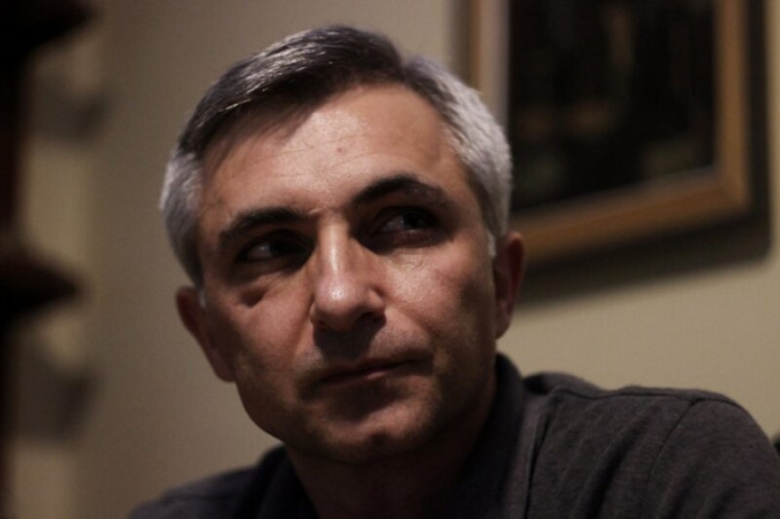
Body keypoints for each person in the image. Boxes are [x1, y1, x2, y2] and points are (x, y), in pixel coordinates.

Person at [131, 26, 780, 518]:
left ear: (502, 281)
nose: (340, 295)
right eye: (271, 249)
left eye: (404, 221)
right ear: (209, 335)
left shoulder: (663, 476)